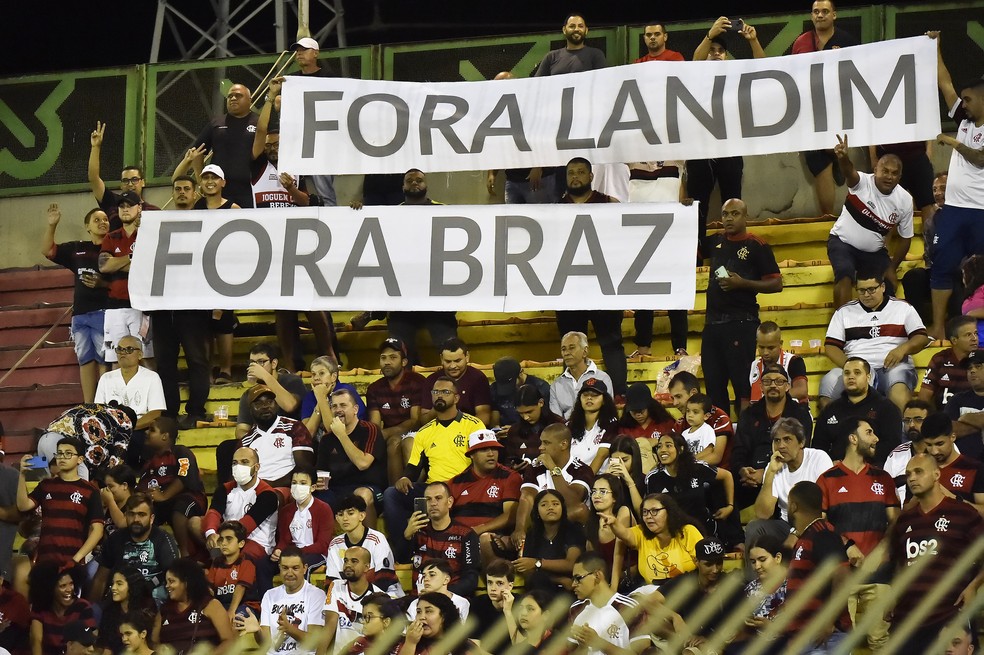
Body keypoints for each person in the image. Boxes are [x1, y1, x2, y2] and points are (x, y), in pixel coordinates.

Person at [817, 418, 900, 651]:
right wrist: (847, 545)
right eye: (869, 433)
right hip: (843, 575)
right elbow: (820, 525)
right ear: (853, 439)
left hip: (880, 574)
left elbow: (896, 522)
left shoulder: (883, 478)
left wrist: (883, 548)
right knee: (842, 643)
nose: (876, 438)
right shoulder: (827, 479)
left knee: (881, 643)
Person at [687, 17, 765, 262]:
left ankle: (734, 253)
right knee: (697, 204)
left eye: (721, 51)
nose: (716, 54)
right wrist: (709, 36)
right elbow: (695, 61)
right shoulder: (697, 76)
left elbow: (765, 69)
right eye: (712, 51)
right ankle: (696, 253)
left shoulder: (735, 76)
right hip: (700, 149)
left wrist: (753, 41)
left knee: (733, 201)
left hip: (730, 146)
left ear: (727, 57)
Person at [384, 376, 485, 563]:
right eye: (436, 392)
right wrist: (405, 477)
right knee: (392, 494)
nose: (440, 395)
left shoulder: (473, 425)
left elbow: (482, 461)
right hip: (434, 488)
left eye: (445, 392)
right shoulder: (425, 432)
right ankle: (402, 548)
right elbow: (414, 466)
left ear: (456, 398)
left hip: (465, 486)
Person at [888, 454, 984, 651]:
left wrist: (974, 586)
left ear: (936, 474)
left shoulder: (964, 513)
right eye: (908, 474)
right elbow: (900, 564)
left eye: (918, 472)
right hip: (908, 619)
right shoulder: (905, 521)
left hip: (949, 615)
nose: (912, 478)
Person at [701, 198, 783, 416]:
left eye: (735, 213)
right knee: (714, 389)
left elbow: (776, 283)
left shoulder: (757, 245)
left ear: (746, 216)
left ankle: (745, 438)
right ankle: (721, 439)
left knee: (743, 389)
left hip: (741, 323)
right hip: (712, 325)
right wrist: (688, 209)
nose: (729, 218)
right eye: (725, 214)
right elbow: (688, 243)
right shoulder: (715, 241)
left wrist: (743, 283)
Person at [928, 32, 984, 341]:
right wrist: (935, 48)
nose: (962, 103)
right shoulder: (963, 120)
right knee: (942, 265)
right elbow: (945, 83)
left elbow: (979, 158)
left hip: (981, 211)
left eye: (968, 99)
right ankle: (938, 326)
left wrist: (952, 142)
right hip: (954, 211)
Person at [821, 270, 931, 411]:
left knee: (897, 380)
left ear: (883, 287)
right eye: (861, 290)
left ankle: (901, 431)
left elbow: (921, 337)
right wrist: (851, 367)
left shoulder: (903, 308)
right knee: (829, 380)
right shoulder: (844, 312)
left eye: (871, 289)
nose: (866, 295)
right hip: (856, 367)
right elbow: (831, 347)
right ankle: (830, 429)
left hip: (892, 366)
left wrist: (902, 350)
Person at [791, 0, 860, 216]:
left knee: (838, 154)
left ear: (834, 15)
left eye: (825, 11)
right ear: (811, 16)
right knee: (820, 167)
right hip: (810, 115)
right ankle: (827, 220)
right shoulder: (800, 43)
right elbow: (790, 74)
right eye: (816, 12)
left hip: (839, 113)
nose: (820, 15)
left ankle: (839, 161)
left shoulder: (847, 41)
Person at [828, 135, 913, 307]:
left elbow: (906, 238)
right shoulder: (861, 182)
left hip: (874, 252)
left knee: (889, 281)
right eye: (885, 171)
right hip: (842, 243)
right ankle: (841, 327)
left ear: (900, 176)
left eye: (894, 173)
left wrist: (893, 265)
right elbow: (848, 172)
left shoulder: (904, 199)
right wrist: (843, 157)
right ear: (875, 169)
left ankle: (882, 326)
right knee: (844, 275)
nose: (889, 176)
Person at [41, 204, 111, 402]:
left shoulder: (114, 249)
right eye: (97, 220)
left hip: (104, 312)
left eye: (105, 219)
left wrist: (103, 283)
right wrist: (52, 225)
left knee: (104, 359)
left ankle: (105, 404)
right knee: (85, 360)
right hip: (80, 315)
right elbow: (47, 250)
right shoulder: (77, 248)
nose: (102, 222)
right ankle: (89, 405)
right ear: (87, 226)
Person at [778, 481, 851, 653]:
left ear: (794, 506)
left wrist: (828, 621)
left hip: (825, 638)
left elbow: (843, 575)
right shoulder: (807, 536)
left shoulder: (822, 534)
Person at [734, 364, 815, 510]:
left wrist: (766, 474)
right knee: (723, 493)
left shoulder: (800, 414)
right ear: (761, 387)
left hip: (786, 476)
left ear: (787, 386)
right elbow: (739, 450)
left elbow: (799, 454)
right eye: (767, 381)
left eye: (779, 381)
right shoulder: (749, 414)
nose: (773, 385)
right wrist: (743, 470)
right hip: (751, 480)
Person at [644, 433, 741, 550]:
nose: (662, 450)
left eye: (668, 446)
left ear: (681, 449)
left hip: (703, 529)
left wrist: (730, 506)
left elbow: (727, 475)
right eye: (659, 446)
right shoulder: (653, 478)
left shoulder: (697, 467)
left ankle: (737, 541)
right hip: (674, 533)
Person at [647, 537, 745, 650]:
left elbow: (741, 627)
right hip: (686, 635)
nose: (715, 570)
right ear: (696, 561)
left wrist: (711, 640)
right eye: (709, 564)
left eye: (719, 563)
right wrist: (675, 618)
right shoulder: (686, 581)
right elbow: (650, 601)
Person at [17, 437, 104, 565]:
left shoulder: (90, 490)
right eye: (59, 453)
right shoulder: (46, 485)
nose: (62, 457)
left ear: (80, 459)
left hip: (73, 561)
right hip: (45, 560)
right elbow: (23, 506)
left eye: (68, 453)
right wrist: (22, 475)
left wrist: (77, 558)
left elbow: (97, 530)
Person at [749, 418, 833, 548]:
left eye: (787, 439)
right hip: (786, 525)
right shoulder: (774, 465)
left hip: (816, 524)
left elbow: (824, 509)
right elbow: (763, 514)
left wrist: (796, 533)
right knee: (755, 528)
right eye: (777, 440)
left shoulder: (819, 459)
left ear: (802, 442)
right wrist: (771, 472)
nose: (781, 446)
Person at [511, 424, 593, 549]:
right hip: (540, 526)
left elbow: (572, 502)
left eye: (546, 443)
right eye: (541, 443)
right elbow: (527, 497)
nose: (541, 447)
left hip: (571, 529)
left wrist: (553, 468)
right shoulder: (535, 468)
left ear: (563, 444)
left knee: (579, 510)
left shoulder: (582, 470)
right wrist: (519, 529)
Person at [446, 429, 521, 562]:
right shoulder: (455, 483)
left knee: (485, 540)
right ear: (472, 455)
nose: (491, 454)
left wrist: (477, 530)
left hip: (494, 537)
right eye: (484, 450)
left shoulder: (510, 477)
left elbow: (511, 516)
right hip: (459, 539)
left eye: (494, 449)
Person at [91, 492, 179, 604]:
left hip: (152, 601)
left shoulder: (163, 539)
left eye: (141, 514)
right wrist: (92, 610)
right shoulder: (115, 538)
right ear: (126, 515)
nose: (136, 519)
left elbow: (174, 578)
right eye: (131, 514)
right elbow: (100, 579)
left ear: (151, 518)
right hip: (119, 599)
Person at [136, 416, 206, 556]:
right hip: (164, 502)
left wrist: (163, 495)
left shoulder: (181, 452)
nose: (146, 433)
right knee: (146, 512)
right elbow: (142, 486)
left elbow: (184, 477)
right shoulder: (150, 460)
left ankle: (185, 554)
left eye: (152, 430)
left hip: (191, 497)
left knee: (180, 508)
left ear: (164, 436)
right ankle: (147, 554)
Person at [813, 356, 904, 465]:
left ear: (868, 377)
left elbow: (891, 446)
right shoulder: (830, 410)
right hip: (836, 472)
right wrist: (830, 464)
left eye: (857, 373)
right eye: (847, 373)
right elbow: (819, 448)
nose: (851, 377)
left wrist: (861, 464)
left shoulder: (887, 408)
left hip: (874, 471)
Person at [235, 547, 327, 655]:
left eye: (295, 568)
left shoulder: (316, 595)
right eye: (285, 568)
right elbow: (266, 643)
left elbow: (314, 642)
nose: (289, 573)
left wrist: (290, 629)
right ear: (279, 568)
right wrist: (258, 631)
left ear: (305, 568)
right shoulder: (270, 595)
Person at [98, 191, 153, 367]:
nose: (125, 209)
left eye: (129, 205)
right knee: (116, 360)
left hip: (141, 305)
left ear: (140, 208)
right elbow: (104, 266)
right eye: (121, 206)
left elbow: (148, 265)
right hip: (115, 307)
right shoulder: (111, 236)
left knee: (146, 357)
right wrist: (132, 257)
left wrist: (118, 261)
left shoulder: (148, 235)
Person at [315, 388, 385, 525]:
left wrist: (341, 435)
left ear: (355, 409)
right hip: (337, 489)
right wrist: (318, 483)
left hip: (369, 488)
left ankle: (370, 543)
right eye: (334, 406)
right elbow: (321, 472)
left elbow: (363, 463)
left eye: (343, 405)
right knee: (314, 499)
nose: (338, 410)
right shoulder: (327, 439)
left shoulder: (370, 429)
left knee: (361, 495)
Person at [602, 493, 702, 588]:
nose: (649, 516)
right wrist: (614, 523)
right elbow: (624, 534)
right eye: (645, 512)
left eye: (654, 511)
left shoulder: (687, 531)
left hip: (687, 590)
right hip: (652, 592)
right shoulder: (641, 532)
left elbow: (704, 564)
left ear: (669, 511)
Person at [199, 447, 280, 562]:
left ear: (256, 467)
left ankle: (217, 562)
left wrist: (223, 540)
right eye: (235, 463)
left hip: (255, 541)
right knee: (195, 524)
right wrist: (211, 534)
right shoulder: (224, 489)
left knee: (236, 551)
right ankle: (216, 560)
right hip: (227, 535)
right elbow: (214, 513)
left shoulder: (268, 495)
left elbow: (246, 526)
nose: (239, 466)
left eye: (245, 462)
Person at [365, 337, 426, 484]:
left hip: (417, 432)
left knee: (396, 442)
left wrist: (386, 433)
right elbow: (374, 423)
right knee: (391, 443)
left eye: (393, 357)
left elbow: (415, 420)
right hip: (391, 435)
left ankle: (416, 491)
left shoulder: (417, 381)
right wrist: (380, 434)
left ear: (404, 362)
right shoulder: (374, 388)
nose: (387, 362)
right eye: (383, 357)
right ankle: (393, 494)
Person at [404, 481, 480, 597]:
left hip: (451, 598)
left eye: (438, 498)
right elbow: (401, 559)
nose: (433, 503)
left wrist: (443, 593)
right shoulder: (417, 531)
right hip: (419, 598)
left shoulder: (466, 534)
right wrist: (407, 537)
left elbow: (471, 579)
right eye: (428, 499)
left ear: (449, 502)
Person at [567, 552, 648, 655]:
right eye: (573, 579)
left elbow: (642, 652)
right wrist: (583, 647)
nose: (573, 584)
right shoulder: (576, 609)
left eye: (578, 578)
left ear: (597, 575)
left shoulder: (629, 607)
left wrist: (599, 642)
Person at [192, 83, 258, 208]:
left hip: (251, 189)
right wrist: (201, 181)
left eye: (238, 95)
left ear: (250, 100)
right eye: (230, 96)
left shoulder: (259, 122)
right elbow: (197, 153)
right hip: (221, 191)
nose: (233, 98)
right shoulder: (216, 123)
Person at [325, 495, 403, 598]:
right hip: (349, 598)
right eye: (340, 514)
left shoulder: (377, 539)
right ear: (336, 518)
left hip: (385, 595)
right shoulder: (335, 544)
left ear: (362, 516)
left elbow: (384, 580)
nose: (345, 518)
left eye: (350, 513)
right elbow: (332, 582)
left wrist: (361, 601)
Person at [239, 384, 315, 487]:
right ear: (250, 409)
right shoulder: (246, 440)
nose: (265, 406)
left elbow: (303, 469)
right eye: (258, 404)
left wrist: (269, 486)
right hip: (256, 491)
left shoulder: (295, 427)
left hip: (288, 489)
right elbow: (242, 476)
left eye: (269, 402)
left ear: (276, 404)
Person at [87, 121, 160, 228]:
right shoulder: (112, 202)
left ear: (143, 182)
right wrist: (95, 147)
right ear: (121, 185)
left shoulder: (154, 212)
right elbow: (93, 178)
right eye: (125, 181)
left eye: (134, 179)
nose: (130, 184)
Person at [233, 342, 308, 441]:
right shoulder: (250, 393)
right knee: (226, 447)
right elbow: (241, 429)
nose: (256, 367)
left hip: (290, 437)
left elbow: (290, 406)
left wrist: (264, 376)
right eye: (252, 363)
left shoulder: (292, 381)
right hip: (262, 440)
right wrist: (259, 440)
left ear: (274, 363)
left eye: (261, 362)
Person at [514, 489, 585, 592]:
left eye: (555, 504)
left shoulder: (573, 529)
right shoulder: (532, 534)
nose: (550, 507)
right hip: (540, 589)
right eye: (544, 505)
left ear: (562, 508)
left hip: (569, 590)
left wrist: (538, 563)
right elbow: (528, 570)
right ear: (537, 511)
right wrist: (559, 580)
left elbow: (571, 564)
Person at [156, 558, 234, 651]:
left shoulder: (210, 605)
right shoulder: (164, 610)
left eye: (171, 581)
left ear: (186, 582)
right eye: (166, 582)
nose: (167, 586)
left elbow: (229, 641)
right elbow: (154, 643)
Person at [94, 336, 166, 432]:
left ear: (140, 354)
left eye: (129, 349)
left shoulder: (152, 377)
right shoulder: (106, 378)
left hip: (141, 430)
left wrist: (129, 428)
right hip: (112, 431)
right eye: (119, 349)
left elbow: (155, 413)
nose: (123, 353)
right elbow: (98, 411)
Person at [323, 547, 387, 650]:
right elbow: (329, 625)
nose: (348, 564)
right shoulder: (336, 586)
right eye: (345, 560)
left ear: (366, 567)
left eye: (354, 561)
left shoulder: (379, 598)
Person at [667, 371, 735, 467]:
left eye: (678, 397)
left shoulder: (720, 418)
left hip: (716, 477)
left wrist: (685, 466)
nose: (675, 403)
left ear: (693, 393)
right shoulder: (680, 424)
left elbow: (716, 457)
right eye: (673, 398)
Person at [419, 338, 492, 426]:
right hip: (437, 431)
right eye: (448, 361)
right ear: (441, 359)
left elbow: (484, 415)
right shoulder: (432, 380)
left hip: (468, 430)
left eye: (457, 361)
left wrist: (461, 430)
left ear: (467, 357)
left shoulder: (478, 378)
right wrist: (439, 404)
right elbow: (424, 421)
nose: (453, 366)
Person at [27, 562, 96, 655]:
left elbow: (87, 644)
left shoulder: (83, 606)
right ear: (50, 589)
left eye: (71, 584)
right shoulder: (40, 607)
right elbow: (36, 640)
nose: (69, 589)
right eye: (63, 586)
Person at [272, 466, 334, 568]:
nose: (297, 486)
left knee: (299, 566)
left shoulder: (324, 509)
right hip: (291, 554)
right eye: (294, 483)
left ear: (313, 487)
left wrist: (296, 553)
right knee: (263, 564)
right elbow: (283, 540)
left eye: (303, 483)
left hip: (316, 555)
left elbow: (322, 544)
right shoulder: (285, 511)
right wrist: (278, 550)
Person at [919, 413, 984, 511]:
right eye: (929, 445)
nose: (934, 451)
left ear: (953, 437)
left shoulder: (975, 468)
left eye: (939, 444)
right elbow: (905, 512)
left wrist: (951, 498)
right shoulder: (918, 470)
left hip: (962, 525)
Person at [550, 331, 615, 420]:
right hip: (567, 431)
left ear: (585, 351)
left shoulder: (602, 378)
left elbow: (608, 412)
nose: (566, 353)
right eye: (563, 349)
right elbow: (556, 419)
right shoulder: (556, 385)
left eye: (571, 348)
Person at [585, 473, 634, 586]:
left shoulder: (623, 512)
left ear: (615, 497)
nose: (596, 496)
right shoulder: (592, 522)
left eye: (603, 491)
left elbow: (619, 554)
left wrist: (612, 591)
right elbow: (592, 560)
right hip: (605, 580)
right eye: (594, 491)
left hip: (628, 579)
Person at [302, 355, 367, 441]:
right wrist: (320, 400)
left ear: (333, 377)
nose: (316, 378)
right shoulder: (310, 396)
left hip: (356, 439)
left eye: (321, 373)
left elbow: (334, 431)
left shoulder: (345, 392)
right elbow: (307, 434)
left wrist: (321, 398)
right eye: (313, 374)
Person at [96, 565, 158, 655]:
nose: (113, 588)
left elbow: (153, 642)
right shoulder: (109, 611)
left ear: (132, 586)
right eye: (113, 583)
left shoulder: (147, 608)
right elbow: (106, 647)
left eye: (119, 584)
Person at [919, 315, 977, 410]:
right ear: (954, 340)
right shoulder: (939, 359)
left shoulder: (981, 359)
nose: (974, 338)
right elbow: (924, 397)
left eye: (976, 333)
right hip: (944, 419)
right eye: (968, 335)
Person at [207, 520, 260, 620]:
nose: (223, 543)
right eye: (221, 539)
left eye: (229, 539)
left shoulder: (247, 561)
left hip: (246, 606)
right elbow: (209, 589)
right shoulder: (216, 562)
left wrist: (231, 611)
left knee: (235, 620)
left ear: (241, 543)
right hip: (222, 605)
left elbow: (240, 588)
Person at [505, 384, 564, 470]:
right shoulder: (514, 431)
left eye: (529, 412)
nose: (525, 417)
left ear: (541, 403)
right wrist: (512, 468)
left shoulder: (560, 427)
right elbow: (507, 462)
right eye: (521, 413)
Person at [748, 322, 809, 404]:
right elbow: (745, 400)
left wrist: (771, 397)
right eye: (761, 347)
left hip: (794, 413)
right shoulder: (753, 366)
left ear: (780, 344)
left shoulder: (793, 361)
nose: (765, 352)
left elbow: (801, 391)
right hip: (761, 414)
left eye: (770, 348)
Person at [398, 592, 476, 655]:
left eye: (428, 611)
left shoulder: (462, 645)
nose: (422, 617)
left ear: (444, 616)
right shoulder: (409, 641)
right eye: (418, 612)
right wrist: (410, 643)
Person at [885, 399, 933, 502]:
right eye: (907, 420)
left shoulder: (941, 450)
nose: (911, 425)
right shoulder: (896, 454)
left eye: (918, 420)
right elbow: (886, 491)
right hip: (903, 514)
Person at [567, 378, 618, 473]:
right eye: (585, 395)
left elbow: (601, 456)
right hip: (570, 476)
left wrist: (584, 481)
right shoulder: (569, 425)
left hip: (596, 478)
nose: (589, 398)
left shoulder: (611, 424)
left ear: (604, 400)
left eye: (594, 395)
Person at [535, 14, 607, 75]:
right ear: (564, 30)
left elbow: (602, 82)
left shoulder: (596, 55)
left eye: (580, 26)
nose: (576, 29)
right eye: (572, 26)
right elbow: (537, 84)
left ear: (586, 30)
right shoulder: (551, 57)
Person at [489, 356, 550, 428]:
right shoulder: (495, 389)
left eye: (511, 383)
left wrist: (515, 430)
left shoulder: (540, 388)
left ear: (521, 372)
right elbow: (494, 417)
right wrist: (496, 429)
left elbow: (545, 421)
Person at [945, 349, 984, 460]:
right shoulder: (957, 400)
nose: (972, 371)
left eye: (978, 366)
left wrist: (966, 417)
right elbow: (949, 431)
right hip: (964, 466)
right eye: (969, 368)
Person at [403, 558, 471, 622]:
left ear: (446, 580)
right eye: (424, 576)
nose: (426, 579)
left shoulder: (462, 603)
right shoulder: (415, 604)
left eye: (432, 575)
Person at [468, 559, 514, 646]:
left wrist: (508, 612)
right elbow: (472, 642)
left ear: (510, 586)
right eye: (490, 582)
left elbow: (521, 644)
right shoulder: (477, 603)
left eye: (499, 583)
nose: (493, 588)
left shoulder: (522, 604)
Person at [682, 393, 726, 465]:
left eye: (695, 412)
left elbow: (709, 450)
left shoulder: (707, 430)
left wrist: (691, 461)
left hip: (702, 468)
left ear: (706, 416)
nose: (690, 415)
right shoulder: (684, 433)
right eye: (688, 411)